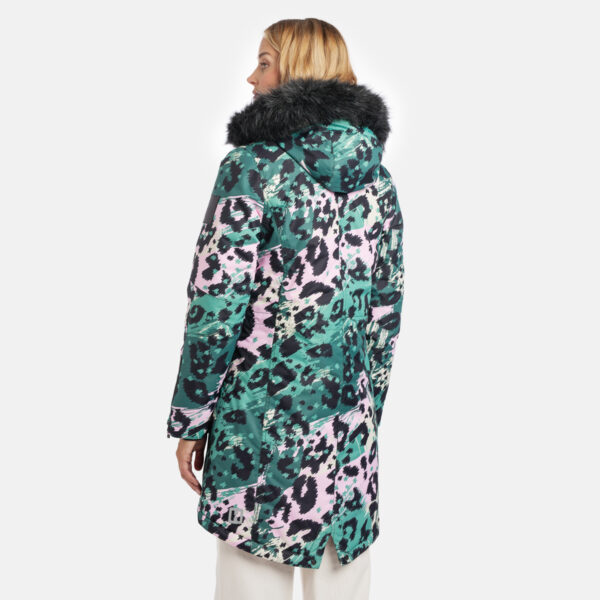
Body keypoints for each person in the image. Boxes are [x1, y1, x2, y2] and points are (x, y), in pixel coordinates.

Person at [166, 17, 405, 600]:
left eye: (264, 62)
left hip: (257, 434)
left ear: (298, 70)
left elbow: (216, 305)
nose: (251, 78)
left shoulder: (250, 169)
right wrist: (363, 417)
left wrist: (192, 418)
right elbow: (385, 314)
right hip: (348, 438)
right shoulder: (378, 180)